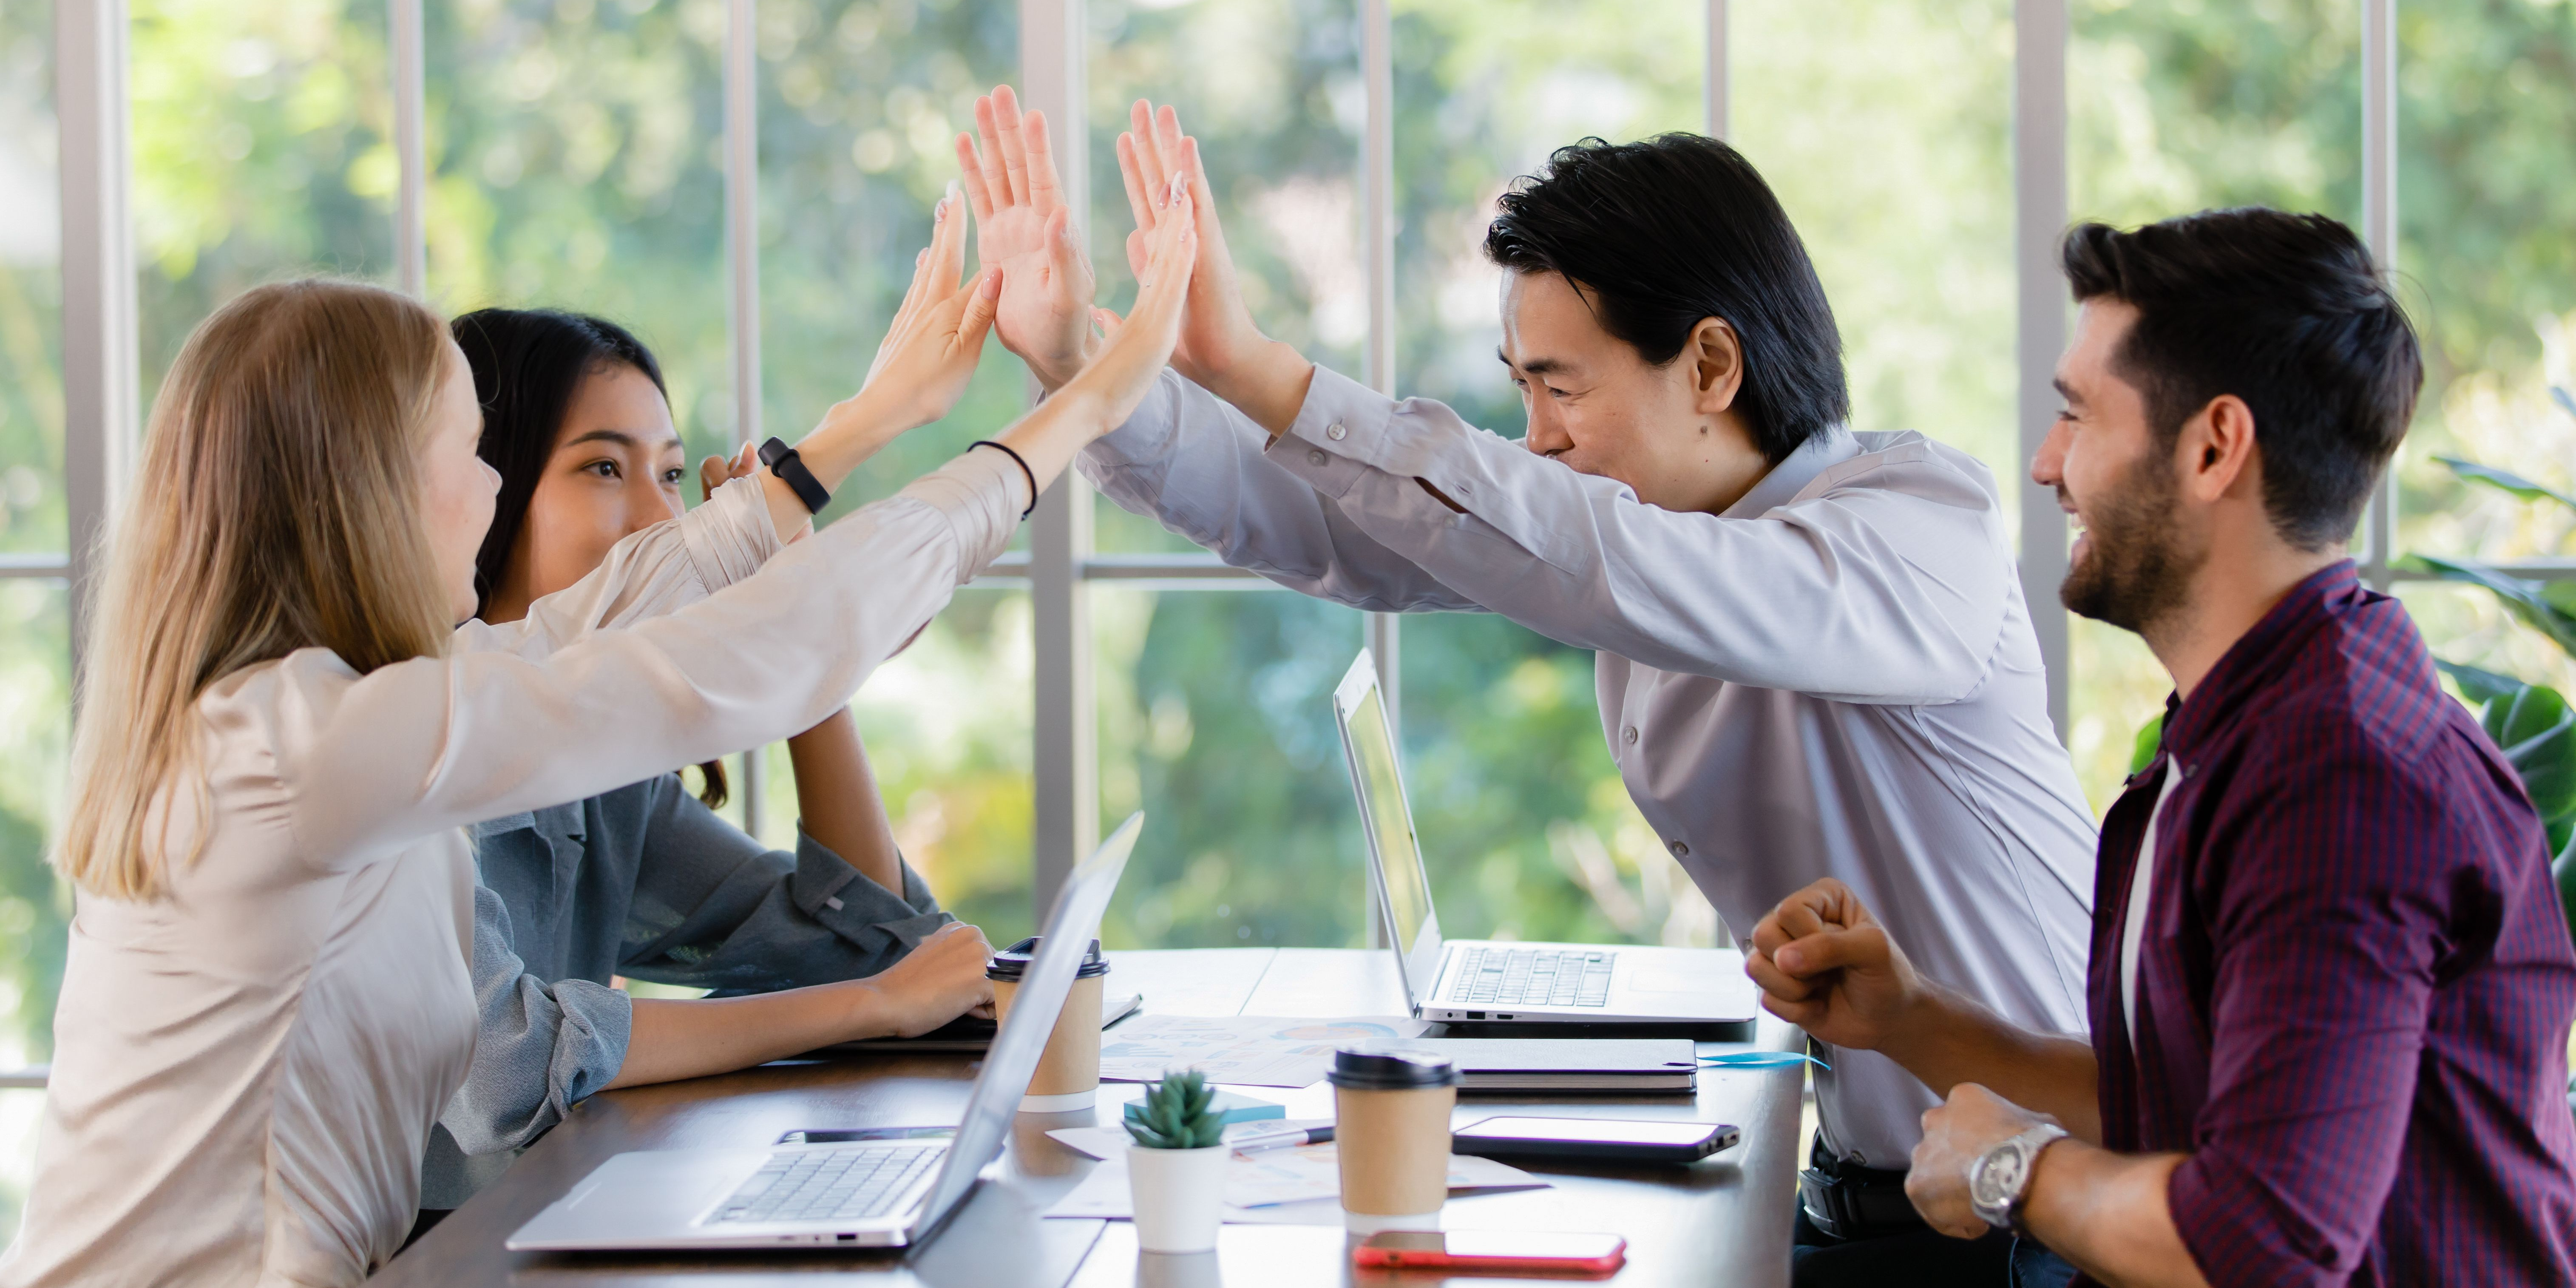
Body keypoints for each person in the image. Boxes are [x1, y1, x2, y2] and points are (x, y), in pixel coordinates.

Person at [954, 85, 2095, 1284]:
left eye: (1562, 385)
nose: (1537, 435)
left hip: (2045, 1202)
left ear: (1709, 363)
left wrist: (1262, 367)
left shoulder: (1917, 529)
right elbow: (1320, 510)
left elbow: (1610, 561)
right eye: (1520, 387)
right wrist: (1083, 366)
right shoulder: (1631, 520)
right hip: (1873, 1188)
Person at [0, 172, 1202, 1286]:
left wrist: (861, 424)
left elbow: (607, 617)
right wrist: (1075, 417)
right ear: (368, 489)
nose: (487, 494)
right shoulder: (299, 745)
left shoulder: (332, 713)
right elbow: (732, 655)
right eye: (468, 453)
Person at [1746, 207, 2576, 1287]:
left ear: (2213, 447)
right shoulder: (2249, 728)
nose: (2048, 463)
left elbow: (2266, 1235)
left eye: (2079, 414)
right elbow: (2182, 1112)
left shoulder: (2343, 777)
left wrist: (2014, 1168)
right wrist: (1909, 1017)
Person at [408, 304, 995, 1220]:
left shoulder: (609, 783)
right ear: (488, 488)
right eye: (604, 468)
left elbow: (877, 941)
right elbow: (503, 1071)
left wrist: (802, 630)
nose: (658, 514)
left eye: (675, 475)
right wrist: (872, 1007)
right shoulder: (409, 741)